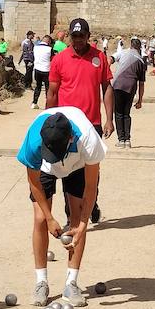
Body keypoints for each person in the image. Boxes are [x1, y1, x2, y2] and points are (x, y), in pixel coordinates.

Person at [16, 106, 106, 308]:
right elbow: (34, 182)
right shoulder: (33, 139)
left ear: (71, 139)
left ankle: (71, 283)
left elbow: (91, 188)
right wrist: (49, 217)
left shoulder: (88, 139)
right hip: (45, 170)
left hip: (78, 166)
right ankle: (41, 282)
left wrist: (84, 223)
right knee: (39, 219)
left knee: (76, 218)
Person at [47, 17, 113, 224]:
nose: (78, 40)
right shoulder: (59, 59)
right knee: (69, 169)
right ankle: (71, 215)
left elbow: (107, 88)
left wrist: (109, 119)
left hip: (92, 123)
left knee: (92, 168)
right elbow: (52, 93)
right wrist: (48, 121)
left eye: (81, 36)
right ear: (69, 36)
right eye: (74, 36)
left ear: (88, 36)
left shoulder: (99, 58)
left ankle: (91, 203)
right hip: (68, 126)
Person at [111, 36, 147, 148]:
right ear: (139, 47)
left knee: (118, 113)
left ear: (131, 45)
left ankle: (121, 140)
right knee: (126, 113)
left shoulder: (123, 52)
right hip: (131, 88)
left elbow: (110, 59)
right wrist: (140, 100)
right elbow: (141, 83)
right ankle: (127, 140)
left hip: (118, 85)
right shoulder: (141, 60)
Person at [31, 33, 53, 109]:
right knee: (48, 88)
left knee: (38, 86)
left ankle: (34, 102)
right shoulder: (50, 49)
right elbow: (52, 59)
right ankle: (48, 104)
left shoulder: (35, 47)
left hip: (37, 69)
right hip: (46, 70)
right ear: (49, 41)